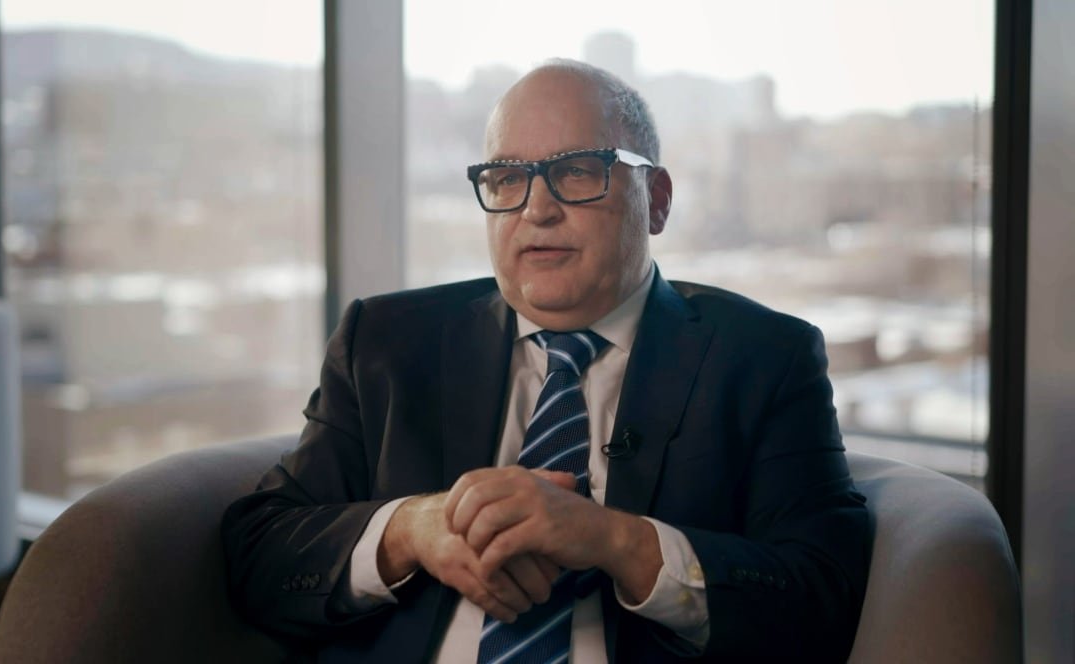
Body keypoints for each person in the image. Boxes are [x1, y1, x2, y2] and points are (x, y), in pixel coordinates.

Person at [222, 59, 871, 663]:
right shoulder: (387, 342)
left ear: (659, 199)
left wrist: (616, 542)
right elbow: (260, 555)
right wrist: (410, 529)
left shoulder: (763, 358)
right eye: (506, 178)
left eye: (578, 170)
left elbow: (820, 597)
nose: (536, 208)